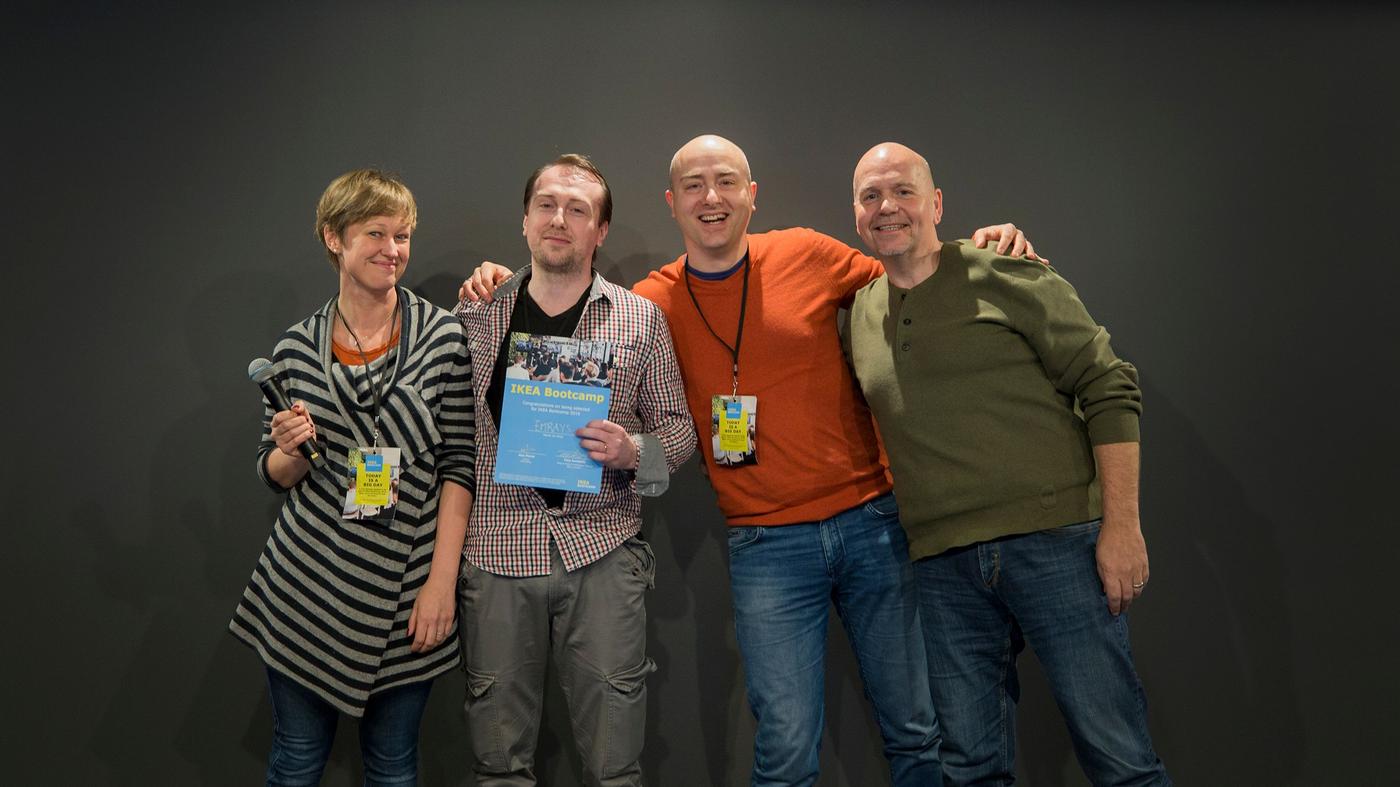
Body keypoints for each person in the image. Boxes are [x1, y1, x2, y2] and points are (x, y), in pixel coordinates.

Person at [461, 135, 1037, 787]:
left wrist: (980, 253)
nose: (713, 197)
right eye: (696, 185)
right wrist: (493, 279)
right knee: (786, 747)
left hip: (870, 522)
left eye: (727, 181)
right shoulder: (621, 307)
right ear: (672, 204)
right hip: (762, 542)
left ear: (751, 195)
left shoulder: (785, 262)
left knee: (916, 727)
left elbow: (915, 276)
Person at [845, 142, 1169, 785]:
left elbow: (1109, 387)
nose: (888, 207)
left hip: (1057, 546)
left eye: (903, 191)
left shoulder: (1006, 271)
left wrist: (1123, 526)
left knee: (1120, 759)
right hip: (941, 565)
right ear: (856, 215)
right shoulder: (859, 312)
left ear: (936, 203)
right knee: (969, 768)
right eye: (871, 196)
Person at [453, 153, 694, 786]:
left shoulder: (640, 320)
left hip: (603, 554)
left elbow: (681, 432)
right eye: (547, 206)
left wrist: (634, 453)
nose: (560, 219)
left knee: (616, 766)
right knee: (497, 764)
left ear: (601, 231)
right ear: (525, 221)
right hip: (497, 551)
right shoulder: (474, 318)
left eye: (578, 209)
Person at [229, 169, 475, 785]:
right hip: (307, 591)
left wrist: (440, 584)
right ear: (333, 238)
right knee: (296, 760)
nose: (393, 250)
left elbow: (458, 468)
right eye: (375, 233)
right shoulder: (294, 350)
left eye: (403, 235)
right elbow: (276, 474)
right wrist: (287, 448)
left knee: (393, 767)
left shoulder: (442, 338)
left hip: (405, 599)